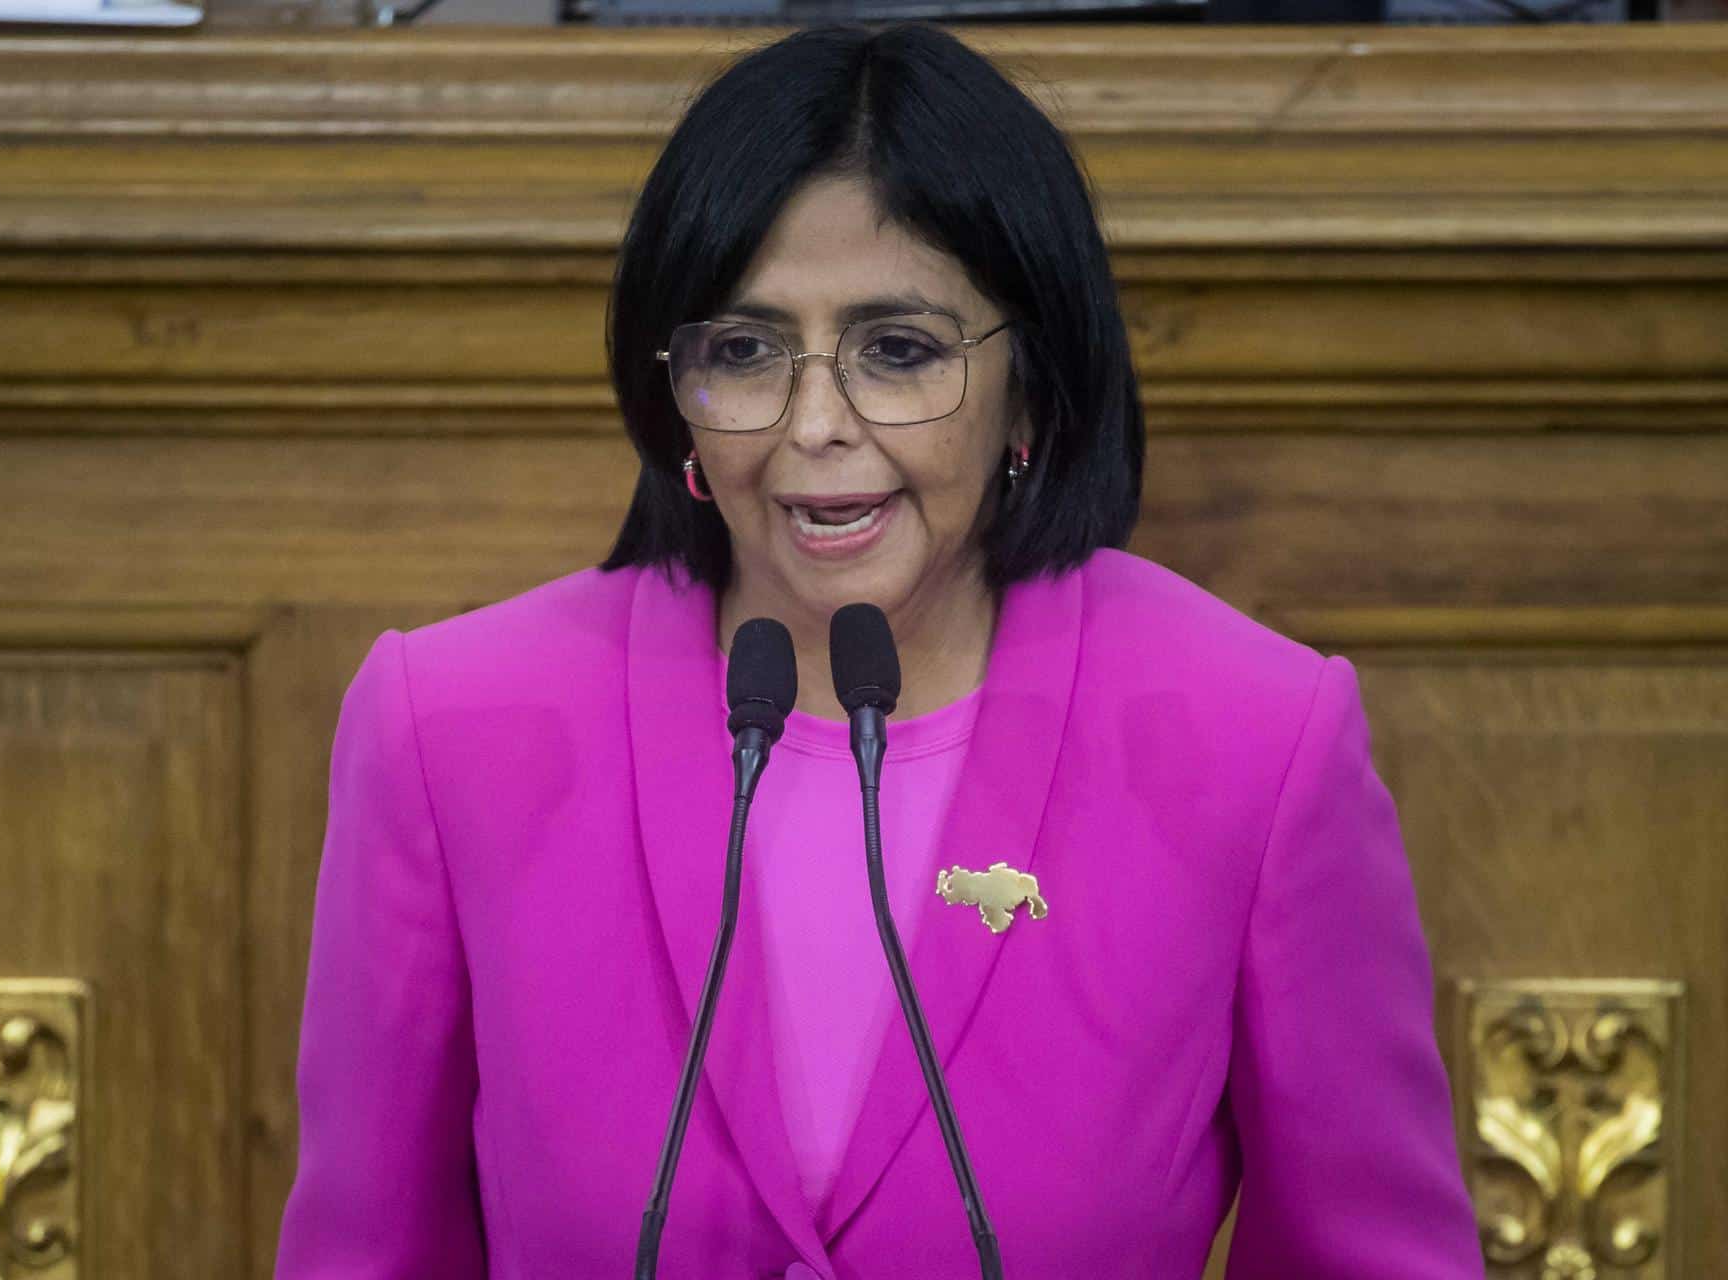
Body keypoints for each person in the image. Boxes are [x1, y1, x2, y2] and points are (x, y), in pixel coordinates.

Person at [274, 22, 1483, 1280]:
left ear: (1033, 384)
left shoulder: (1258, 737)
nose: (814, 427)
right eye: (743, 352)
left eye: (897, 351)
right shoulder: (450, 727)